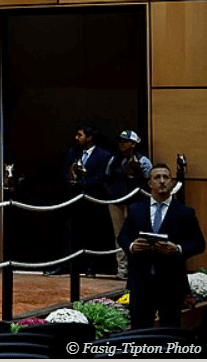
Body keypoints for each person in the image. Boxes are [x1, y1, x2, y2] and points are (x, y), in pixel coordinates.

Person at [118, 163, 205, 329]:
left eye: (166, 177)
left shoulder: (185, 212)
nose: (162, 181)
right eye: (157, 177)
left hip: (171, 283)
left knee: (169, 333)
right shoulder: (136, 209)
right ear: (150, 183)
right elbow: (122, 236)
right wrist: (131, 246)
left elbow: (198, 243)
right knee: (140, 332)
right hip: (141, 283)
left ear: (171, 182)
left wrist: (177, 249)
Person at [44, 124, 112, 276]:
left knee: (92, 235)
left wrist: (84, 184)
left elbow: (102, 176)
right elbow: (65, 171)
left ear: (89, 138)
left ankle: (91, 267)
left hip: (93, 200)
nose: (76, 138)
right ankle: (66, 266)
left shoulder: (104, 155)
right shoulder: (72, 152)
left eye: (80, 135)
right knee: (70, 234)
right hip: (72, 200)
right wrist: (72, 181)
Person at [104, 129, 152, 280]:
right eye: (120, 140)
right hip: (116, 202)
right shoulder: (114, 159)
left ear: (133, 144)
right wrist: (112, 196)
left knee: (136, 235)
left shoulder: (143, 161)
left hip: (135, 204)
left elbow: (148, 184)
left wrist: (135, 176)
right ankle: (122, 269)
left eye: (125, 141)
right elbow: (107, 179)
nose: (121, 143)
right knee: (118, 236)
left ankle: (137, 269)